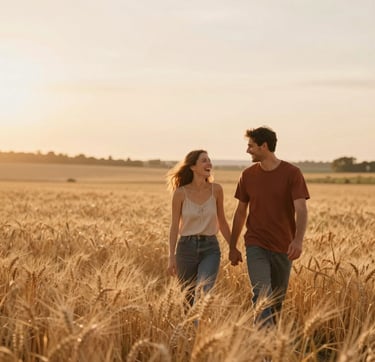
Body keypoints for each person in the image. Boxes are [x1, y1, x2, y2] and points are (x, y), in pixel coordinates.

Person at [229, 126, 310, 326]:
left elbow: (301, 209)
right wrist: (232, 246)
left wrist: (298, 241)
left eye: (251, 146)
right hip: (256, 243)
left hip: (283, 246)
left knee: (276, 301)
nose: (247, 150)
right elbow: (240, 212)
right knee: (261, 294)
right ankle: (264, 349)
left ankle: (271, 348)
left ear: (264, 146)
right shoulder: (247, 175)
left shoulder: (292, 173)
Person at [167, 149, 231, 307]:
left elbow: (222, 221)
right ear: (193, 167)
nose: (209, 163)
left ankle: (199, 328)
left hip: (210, 248)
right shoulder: (180, 193)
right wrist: (171, 255)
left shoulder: (216, 190)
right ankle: (191, 332)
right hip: (185, 249)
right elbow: (174, 226)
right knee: (187, 300)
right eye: (204, 160)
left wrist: (233, 247)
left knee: (204, 293)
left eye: (209, 160)